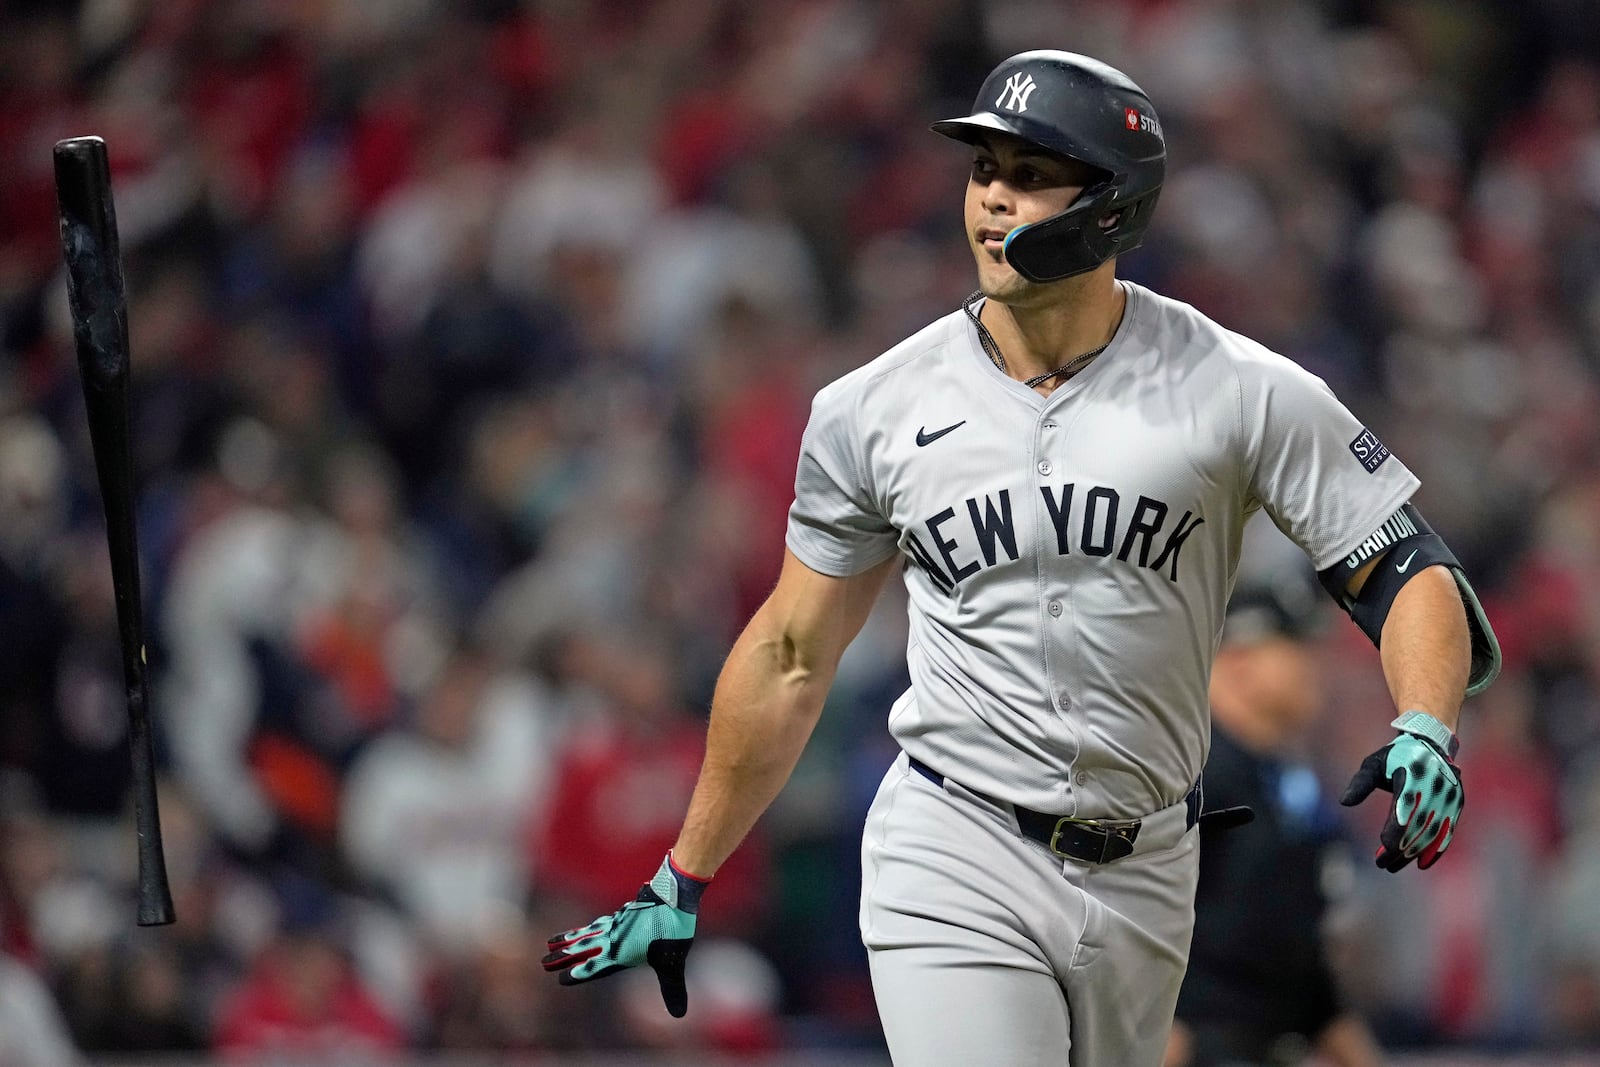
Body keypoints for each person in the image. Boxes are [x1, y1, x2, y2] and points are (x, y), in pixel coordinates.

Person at [542, 50, 1501, 1066]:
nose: (993, 196)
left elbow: (1406, 569)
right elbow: (788, 650)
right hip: (955, 839)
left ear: (1113, 204)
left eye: (1032, 172)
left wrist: (1426, 724)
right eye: (983, 170)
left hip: (1149, 865)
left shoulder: (1236, 387)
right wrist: (683, 870)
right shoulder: (872, 408)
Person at [1165, 552, 1383, 1067]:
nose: (1317, 665)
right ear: (1238, 660)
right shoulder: (1190, 777)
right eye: (1296, 647)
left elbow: (1297, 962)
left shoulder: (1282, 783)